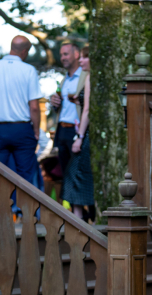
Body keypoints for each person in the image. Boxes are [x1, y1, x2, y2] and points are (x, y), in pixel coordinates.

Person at [0, 36, 43, 222]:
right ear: (25, 51)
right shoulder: (29, 70)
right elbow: (35, 106)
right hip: (22, 130)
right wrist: (36, 131)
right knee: (25, 177)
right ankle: (27, 217)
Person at [61, 46, 95, 220]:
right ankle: (80, 217)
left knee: (74, 173)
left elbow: (88, 110)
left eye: (84, 58)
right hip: (85, 130)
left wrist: (80, 138)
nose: (80, 61)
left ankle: (78, 218)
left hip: (87, 134)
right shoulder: (93, 78)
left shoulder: (90, 78)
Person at [49, 41, 82, 183]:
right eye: (61, 55)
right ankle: (69, 206)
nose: (62, 57)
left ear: (76, 54)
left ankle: (85, 206)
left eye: (66, 54)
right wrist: (54, 103)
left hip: (76, 132)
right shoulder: (64, 80)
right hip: (61, 130)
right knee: (65, 176)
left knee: (79, 175)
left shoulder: (85, 77)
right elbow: (62, 107)